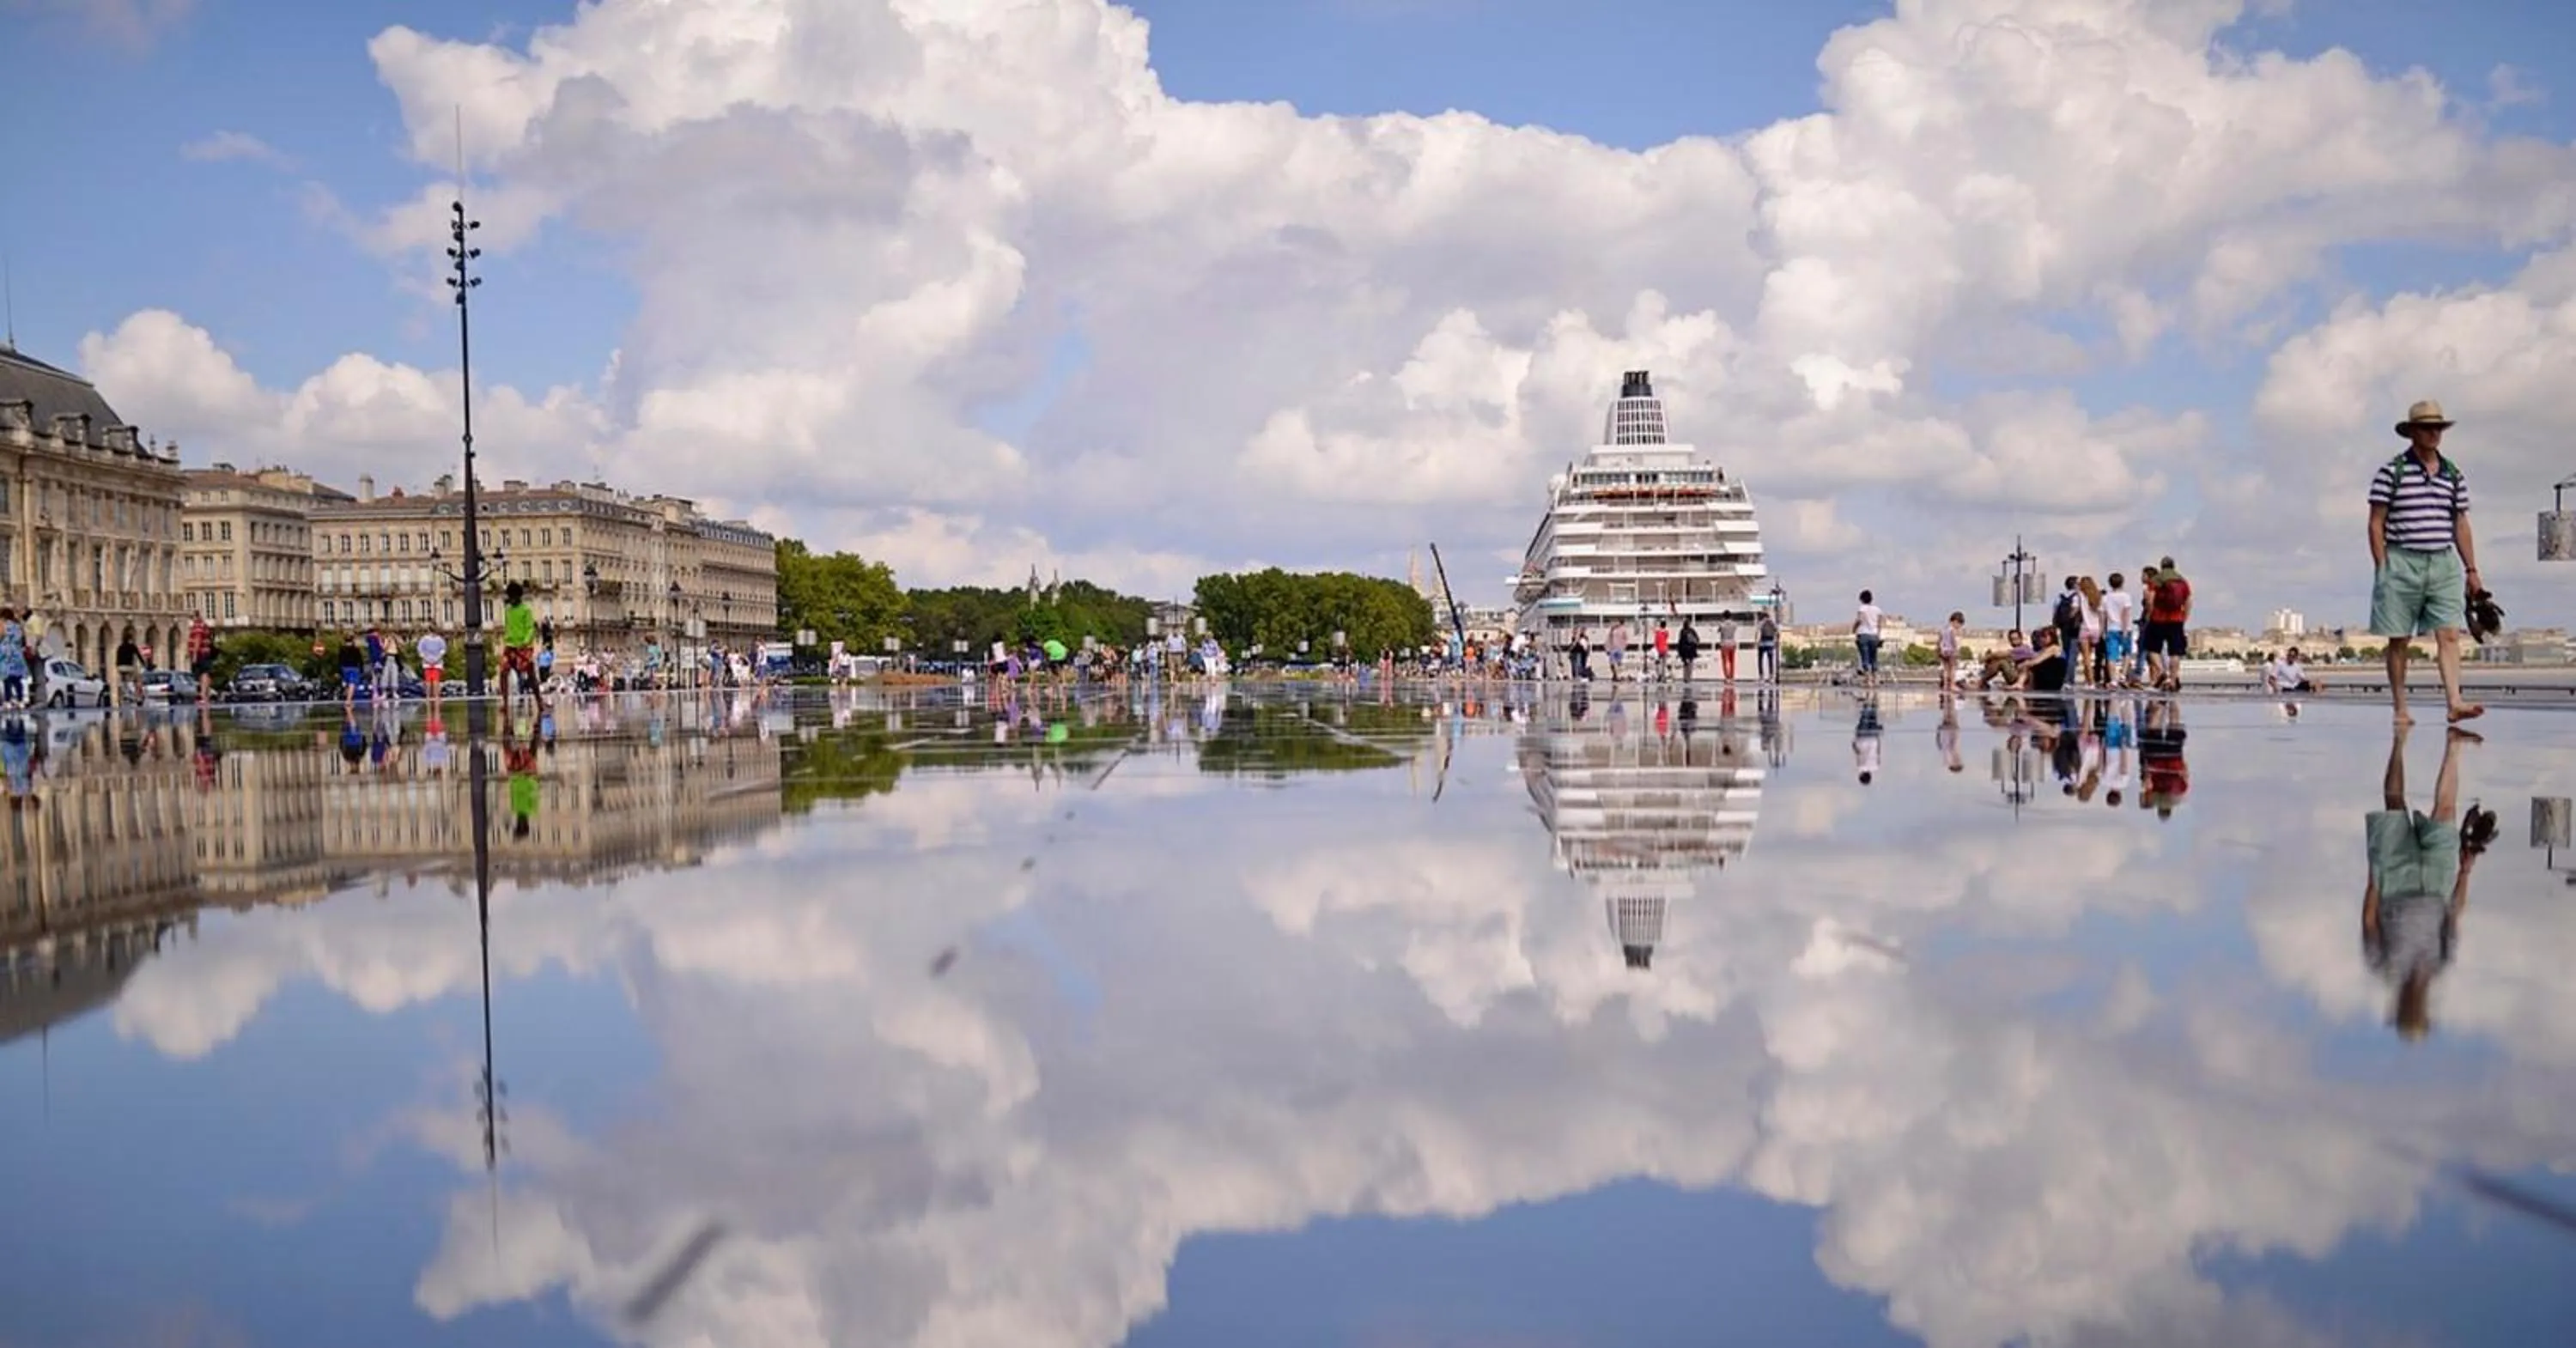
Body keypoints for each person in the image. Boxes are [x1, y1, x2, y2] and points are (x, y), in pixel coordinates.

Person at [2362, 725, 2491, 1041]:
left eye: (2411, 1012)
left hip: (2393, 880)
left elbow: (2369, 921)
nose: (2416, 1006)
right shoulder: (2440, 963)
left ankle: (2398, 744)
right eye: (2419, 1013)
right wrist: (2465, 873)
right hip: (2436, 884)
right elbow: (2453, 915)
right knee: (2445, 810)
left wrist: (2375, 872)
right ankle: (2453, 748)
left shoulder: (2384, 966)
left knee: (2394, 805)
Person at [2368, 398, 2484, 726]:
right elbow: (2376, 521)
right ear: (2413, 432)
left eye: (2438, 428)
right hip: (2402, 559)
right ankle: (2400, 706)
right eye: (2427, 428)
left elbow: (2461, 522)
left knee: (2449, 633)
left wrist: (2472, 570)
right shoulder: (2391, 472)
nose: (2434, 433)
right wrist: (2383, 566)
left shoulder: (2452, 473)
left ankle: (2454, 701)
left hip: (2443, 560)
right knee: (2399, 638)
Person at [2142, 556, 2191, 692]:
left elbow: (2150, 600)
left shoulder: (2156, 581)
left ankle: (2162, 672)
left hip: (2158, 619)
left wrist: (2149, 615)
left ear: (2162, 566)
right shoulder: (2182, 581)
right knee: (2175, 652)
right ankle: (2173, 680)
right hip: (2176, 620)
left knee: (2152, 649)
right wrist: (2184, 617)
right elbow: (2188, 601)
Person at [501, 582, 541, 704]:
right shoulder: (508, 610)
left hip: (524, 648)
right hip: (510, 646)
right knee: (503, 672)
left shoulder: (526, 610)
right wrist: (507, 640)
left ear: (518, 596)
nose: (511, 600)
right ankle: (505, 702)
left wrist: (525, 642)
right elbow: (508, 626)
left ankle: (539, 701)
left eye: (513, 597)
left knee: (531, 675)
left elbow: (530, 628)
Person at [2101, 573, 2136, 689]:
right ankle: (2123, 675)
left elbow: (2103, 615)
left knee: (2112, 656)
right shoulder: (2126, 596)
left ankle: (2113, 680)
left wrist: (2103, 630)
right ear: (2122, 582)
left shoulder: (2106, 598)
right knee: (2126, 653)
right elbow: (2126, 613)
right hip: (2125, 628)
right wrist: (2125, 629)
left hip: (2111, 628)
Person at [1851, 590, 1883, 687]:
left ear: (1861, 599)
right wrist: (1878, 634)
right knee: (1874, 657)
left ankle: (1868, 680)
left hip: (1863, 634)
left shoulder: (1862, 609)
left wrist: (1854, 629)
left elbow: (1859, 620)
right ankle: (1875, 679)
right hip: (1874, 635)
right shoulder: (1878, 610)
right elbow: (1879, 624)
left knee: (1865, 657)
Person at [0, 609, 26, 710]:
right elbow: (22, 639)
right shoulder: (18, 626)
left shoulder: (2, 624)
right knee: (17, 680)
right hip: (17, 654)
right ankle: (20, 701)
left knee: (7, 679)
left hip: (6, 653)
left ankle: (8, 701)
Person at [335, 631, 367, 709]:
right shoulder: (356, 649)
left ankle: (348, 699)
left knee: (347, 684)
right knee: (352, 684)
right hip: (354, 668)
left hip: (344, 668)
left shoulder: (342, 649)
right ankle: (348, 701)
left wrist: (338, 670)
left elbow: (339, 660)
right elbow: (360, 660)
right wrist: (362, 669)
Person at [186, 616, 216, 699]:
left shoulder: (197, 627)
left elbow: (197, 640)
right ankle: (207, 692)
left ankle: (203, 693)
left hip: (201, 653)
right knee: (206, 673)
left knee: (203, 673)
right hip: (205, 652)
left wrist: (194, 654)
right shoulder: (204, 626)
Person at [418, 630, 448, 701]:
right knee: (435, 681)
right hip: (436, 663)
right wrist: (437, 659)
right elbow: (443, 651)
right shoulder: (440, 640)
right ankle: (436, 697)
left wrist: (426, 659)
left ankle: (428, 697)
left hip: (427, 663)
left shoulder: (424, 640)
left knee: (429, 681)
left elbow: (420, 651)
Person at [1939, 611, 1965, 690]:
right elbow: (1953, 640)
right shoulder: (1952, 630)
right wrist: (1956, 649)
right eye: (1959, 625)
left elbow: (1940, 640)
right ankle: (1952, 685)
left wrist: (1940, 649)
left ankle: (1945, 686)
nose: (1959, 627)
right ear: (1955, 622)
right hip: (1951, 651)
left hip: (1943, 651)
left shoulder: (1943, 629)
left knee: (1946, 669)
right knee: (1953, 669)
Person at [1714, 612, 1739, 683]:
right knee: (1732, 661)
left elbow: (1718, 631)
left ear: (1724, 617)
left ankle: (1727, 677)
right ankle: (1732, 677)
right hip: (1732, 643)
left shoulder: (1722, 625)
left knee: (1725, 662)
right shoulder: (1734, 624)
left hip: (1724, 644)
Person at [1676, 616, 1702, 684]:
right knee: (1690, 664)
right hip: (1691, 650)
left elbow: (1680, 642)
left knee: (1685, 664)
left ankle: (1685, 678)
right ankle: (1689, 678)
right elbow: (1697, 639)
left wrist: (1679, 651)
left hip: (1684, 650)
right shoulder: (1692, 631)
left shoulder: (1682, 631)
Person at [1757, 610, 1779, 682]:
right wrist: (1776, 641)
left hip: (1762, 643)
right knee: (1770, 660)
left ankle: (1761, 676)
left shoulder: (1761, 622)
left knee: (1760, 659)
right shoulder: (1772, 623)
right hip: (1770, 643)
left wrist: (1756, 641)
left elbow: (1758, 631)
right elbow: (1777, 632)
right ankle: (1771, 676)